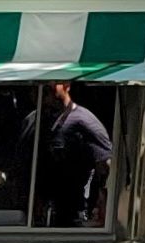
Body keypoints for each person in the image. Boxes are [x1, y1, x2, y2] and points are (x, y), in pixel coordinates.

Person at [15, 81, 115, 228]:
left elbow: (106, 167)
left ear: (67, 85)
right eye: (35, 86)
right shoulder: (31, 121)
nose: (41, 90)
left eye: (50, 84)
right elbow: (20, 163)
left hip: (70, 217)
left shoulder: (84, 121)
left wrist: (102, 211)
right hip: (32, 217)